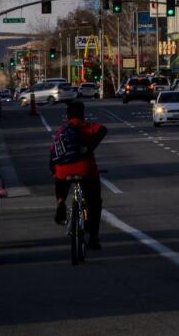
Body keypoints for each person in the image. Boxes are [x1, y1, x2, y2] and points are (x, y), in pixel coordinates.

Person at [50, 100, 108, 249]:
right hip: (86, 170)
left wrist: (54, 171)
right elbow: (103, 130)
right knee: (94, 201)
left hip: (63, 172)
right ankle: (93, 237)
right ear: (82, 114)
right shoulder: (86, 126)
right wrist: (89, 148)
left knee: (59, 176)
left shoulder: (61, 131)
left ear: (67, 115)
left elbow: (52, 155)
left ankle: (60, 201)